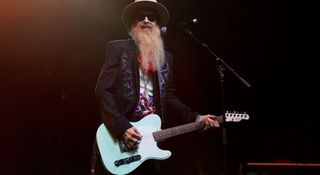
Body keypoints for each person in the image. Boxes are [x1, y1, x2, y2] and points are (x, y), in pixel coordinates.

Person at [91, 0, 220, 174]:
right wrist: (121, 128)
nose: (146, 20)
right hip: (121, 135)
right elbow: (102, 90)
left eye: (151, 17)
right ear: (132, 24)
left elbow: (169, 97)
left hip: (150, 141)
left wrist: (195, 118)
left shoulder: (166, 58)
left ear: (158, 25)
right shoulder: (117, 48)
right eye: (140, 17)